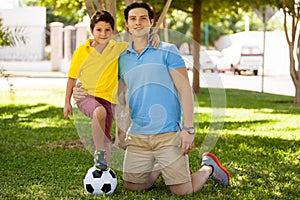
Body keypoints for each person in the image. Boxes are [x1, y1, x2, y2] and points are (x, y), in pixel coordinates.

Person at [73, 2, 230, 196]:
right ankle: (162, 168)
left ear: (151, 22)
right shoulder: (121, 57)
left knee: (182, 190)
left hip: (168, 134)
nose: (138, 23)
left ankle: (209, 168)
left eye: (143, 18)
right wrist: (80, 91)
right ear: (127, 24)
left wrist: (189, 128)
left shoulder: (167, 50)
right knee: (133, 186)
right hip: (137, 135)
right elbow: (107, 85)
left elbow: (185, 89)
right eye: (133, 19)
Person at [63, 10, 159, 171]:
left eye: (107, 30)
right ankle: (98, 152)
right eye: (99, 30)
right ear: (92, 30)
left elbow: (139, 43)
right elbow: (72, 78)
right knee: (99, 112)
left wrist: (153, 36)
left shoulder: (117, 48)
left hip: (108, 100)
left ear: (113, 32)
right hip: (86, 96)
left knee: (105, 137)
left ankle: (103, 169)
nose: (103, 33)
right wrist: (67, 102)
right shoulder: (82, 51)